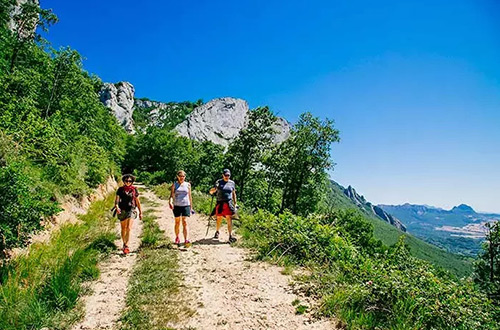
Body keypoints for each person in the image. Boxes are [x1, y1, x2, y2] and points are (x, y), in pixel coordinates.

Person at [115, 174, 142, 254]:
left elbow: (137, 201)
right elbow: (116, 201)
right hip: (122, 210)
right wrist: (117, 207)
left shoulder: (134, 190)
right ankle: (124, 243)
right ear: (124, 181)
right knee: (123, 228)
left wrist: (140, 212)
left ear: (132, 182)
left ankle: (127, 245)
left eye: (130, 181)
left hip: (131, 209)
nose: (128, 182)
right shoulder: (120, 190)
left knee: (129, 228)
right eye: (126, 181)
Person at [209, 169, 237, 243]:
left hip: (228, 203)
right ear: (223, 175)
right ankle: (217, 231)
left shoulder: (232, 183)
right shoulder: (218, 182)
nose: (227, 177)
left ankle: (230, 236)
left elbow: (233, 193)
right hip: (220, 202)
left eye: (228, 175)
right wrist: (214, 190)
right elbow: (211, 192)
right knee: (219, 218)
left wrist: (235, 203)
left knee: (229, 219)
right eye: (225, 175)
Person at [169, 170, 193, 247]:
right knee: (177, 222)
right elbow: (171, 195)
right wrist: (170, 202)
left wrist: (191, 207)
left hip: (186, 205)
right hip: (177, 205)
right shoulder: (174, 185)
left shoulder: (188, 185)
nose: (181, 178)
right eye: (180, 176)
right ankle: (177, 237)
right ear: (177, 177)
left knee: (185, 221)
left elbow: (190, 196)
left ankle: (186, 239)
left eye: (183, 176)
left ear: (185, 177)